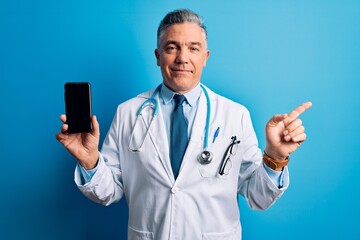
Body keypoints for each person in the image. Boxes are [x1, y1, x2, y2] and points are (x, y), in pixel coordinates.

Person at [56, 9, 312, 240]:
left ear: (205, 57)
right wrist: (90, 160)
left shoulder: (235, 115)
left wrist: (276, 157)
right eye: (171, 48)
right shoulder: (128, 113)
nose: (182, 58)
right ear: (158, 56)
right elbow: (109, 191)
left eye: (193, 48)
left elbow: (258, 197)